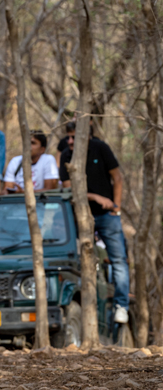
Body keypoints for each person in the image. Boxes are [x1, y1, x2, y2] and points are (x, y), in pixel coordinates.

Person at [59, 125, 129, 323]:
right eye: (68, 138)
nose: (70, 142)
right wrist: (95, 197)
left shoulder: (101, 148)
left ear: (87, 137)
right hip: (80, 215)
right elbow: (68, 189)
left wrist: (116, 207)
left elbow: (117, 177)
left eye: (74, 137)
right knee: (75, 260)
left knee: (119, 260)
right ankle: (81, 304)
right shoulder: (65, 155)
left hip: (107, 216)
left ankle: (121, 306)